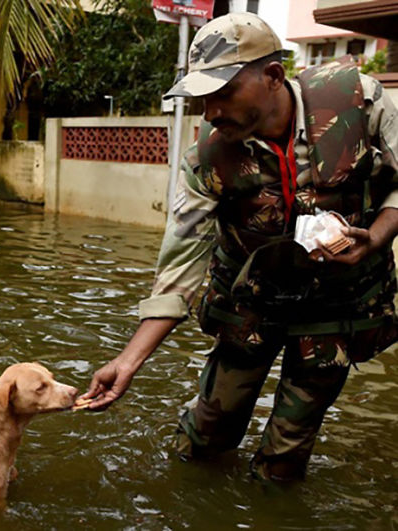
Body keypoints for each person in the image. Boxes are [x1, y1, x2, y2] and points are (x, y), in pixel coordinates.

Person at [83, 12, 398, 481]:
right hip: (251, 303)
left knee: (285, 458)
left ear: (272, 76)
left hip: (339, 304)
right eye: (201, 98)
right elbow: (180, 268)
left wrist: (378, 236)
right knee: (204, 434)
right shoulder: (207, 160)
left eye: (222, 93)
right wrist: (128, 363)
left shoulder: (358, 101)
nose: (209, 112)